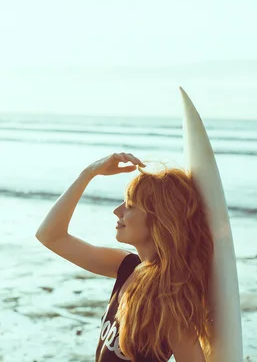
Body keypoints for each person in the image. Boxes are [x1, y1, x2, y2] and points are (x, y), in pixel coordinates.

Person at [36, 152, 214, 362]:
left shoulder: (171, 299)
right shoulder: (128, 267)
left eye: (129, 205)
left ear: (160, 219)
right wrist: (88, 173)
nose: (117, 211)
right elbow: (50, 236)